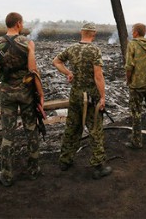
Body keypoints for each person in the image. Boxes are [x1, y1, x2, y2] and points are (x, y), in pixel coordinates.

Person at [0, 12, 44, 187]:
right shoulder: (28, 43)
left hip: (7, 92)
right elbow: (33, 71)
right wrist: (40, 95)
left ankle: (7, 174)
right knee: (31, 129)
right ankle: (33, 170)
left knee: (8, 133)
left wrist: (0, 90)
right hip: (26, 93)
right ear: (18, 24)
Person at [52, 22, 112, 180]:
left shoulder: (72, 49)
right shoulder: (95, 50)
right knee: (95, 129)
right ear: (93, 34)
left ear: (81, 32)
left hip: (75, 95)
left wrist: (68, 72)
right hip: (91, 97)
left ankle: (65, 160)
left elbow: (56, 61)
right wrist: (103, 97)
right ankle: (98, 165)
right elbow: (98, 76)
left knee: (72, 126)